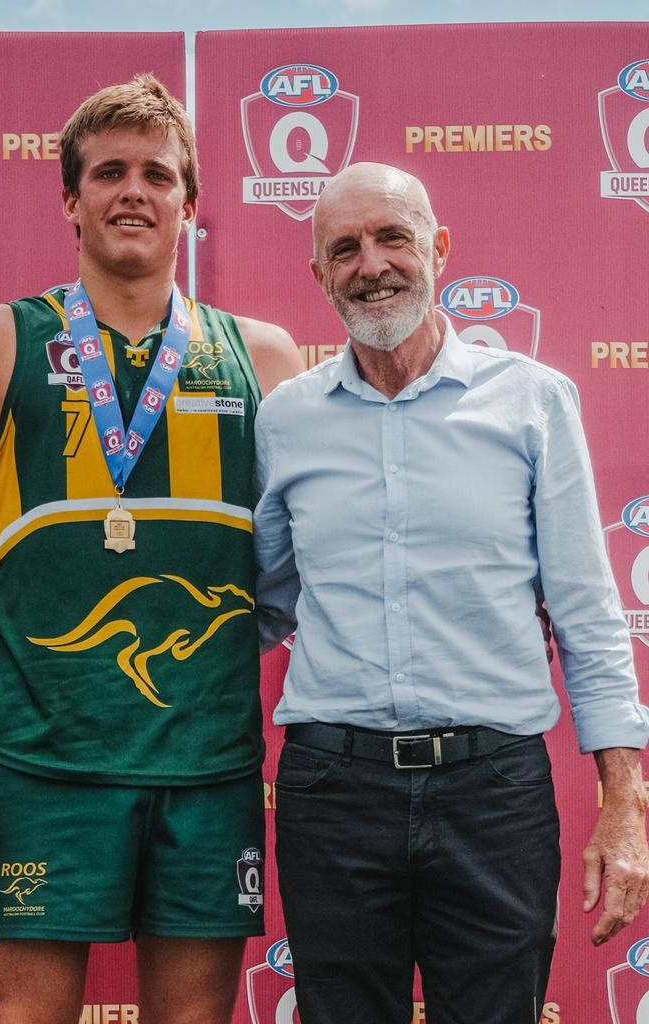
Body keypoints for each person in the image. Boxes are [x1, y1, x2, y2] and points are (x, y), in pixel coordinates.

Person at [0, 74, 303, 1024]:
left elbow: (332, 550)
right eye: (108, 171)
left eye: (158, 174)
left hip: (209, 763)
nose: (133, 191)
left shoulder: (264, 357)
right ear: (69, 199)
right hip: (37, 763)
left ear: (190, 206)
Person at [254, 161, 649, 1024]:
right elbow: (263, 604)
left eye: (392, 236)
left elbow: (586, 611)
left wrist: (625, 803)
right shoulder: (285, 420)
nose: (372, 263)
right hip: (333, 791)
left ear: (438, 248)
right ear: (320, 276)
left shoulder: (534, 403)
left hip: (495, 793)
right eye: (345, 248)